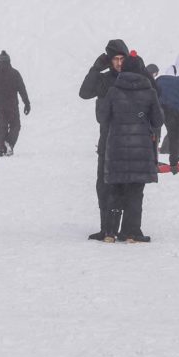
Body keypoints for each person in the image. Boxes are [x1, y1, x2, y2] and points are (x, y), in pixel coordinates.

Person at [98, 55, 163, 243]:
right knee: (135, 191)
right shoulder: (149, 92)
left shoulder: (113, 91)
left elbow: (103, 118)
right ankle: (131, 233)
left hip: (116, 148)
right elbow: (158, 120)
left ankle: (110, 232)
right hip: (140, 150)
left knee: (115, 189)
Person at [79, 39, 131, 240]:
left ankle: (124, 228)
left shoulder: (133, 78)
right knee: (103, 185)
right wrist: (95, 69)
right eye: (115, 59)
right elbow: (84, 93)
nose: (119, 63)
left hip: (127, 140)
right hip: (107, 139)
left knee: (124, 186)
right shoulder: (104, 79)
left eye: (121, 59)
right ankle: (106, 228)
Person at [0, 50, 31, 157]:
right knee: (15, 126)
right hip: (12, 105)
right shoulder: (15, 73)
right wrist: (27, 103)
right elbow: (22, 89)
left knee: (2, 127)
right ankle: (8, 142)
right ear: (9, 61)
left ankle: (3, 150)